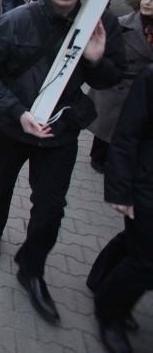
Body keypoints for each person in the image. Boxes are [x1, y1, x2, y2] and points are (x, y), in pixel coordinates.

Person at [0, 0, 126, 325]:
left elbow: (111, 80)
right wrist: (18, 112)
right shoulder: (16, 20)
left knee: (51, 206)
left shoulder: (101, 23)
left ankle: (31, 266)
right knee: (0, 184)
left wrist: (96, 59)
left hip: (61, 130)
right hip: (12, 127)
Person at [86, 65, 153, 353]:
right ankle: (109, 309)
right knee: (147, 262)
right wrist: (120, 189)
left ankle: (100, 278)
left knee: (137, 241)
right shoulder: (150, 77)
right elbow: (126, 133)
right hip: (146, 180)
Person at [87, 0, 153, 173]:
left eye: (152, 0)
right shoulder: (123, 24)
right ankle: (99, 156)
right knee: (107, 122)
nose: (147, 3)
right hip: (120, 82)